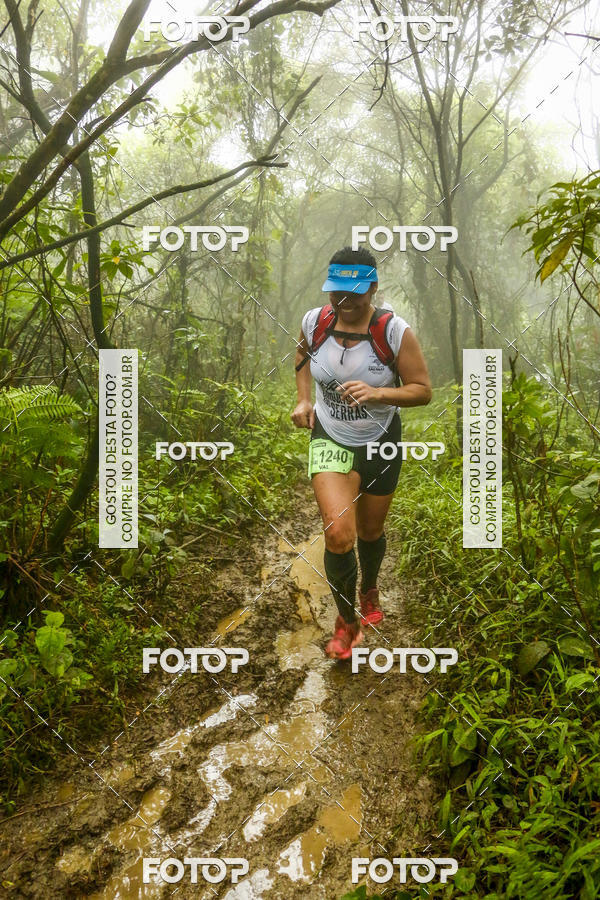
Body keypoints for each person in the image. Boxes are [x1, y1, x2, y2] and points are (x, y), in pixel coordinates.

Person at [291, 246, 432, 660]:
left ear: (373, 287)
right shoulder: (315, 322)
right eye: (337, 292)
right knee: (338, 535)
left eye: (355, 293)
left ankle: (369, 585)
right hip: (330, 438)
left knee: (370, 532)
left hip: (381, 442)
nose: (345, 302)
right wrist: (303, 400)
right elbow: (301, 355)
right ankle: (347, 623)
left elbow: (422, 390)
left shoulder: (393, 331)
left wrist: (378, 392)